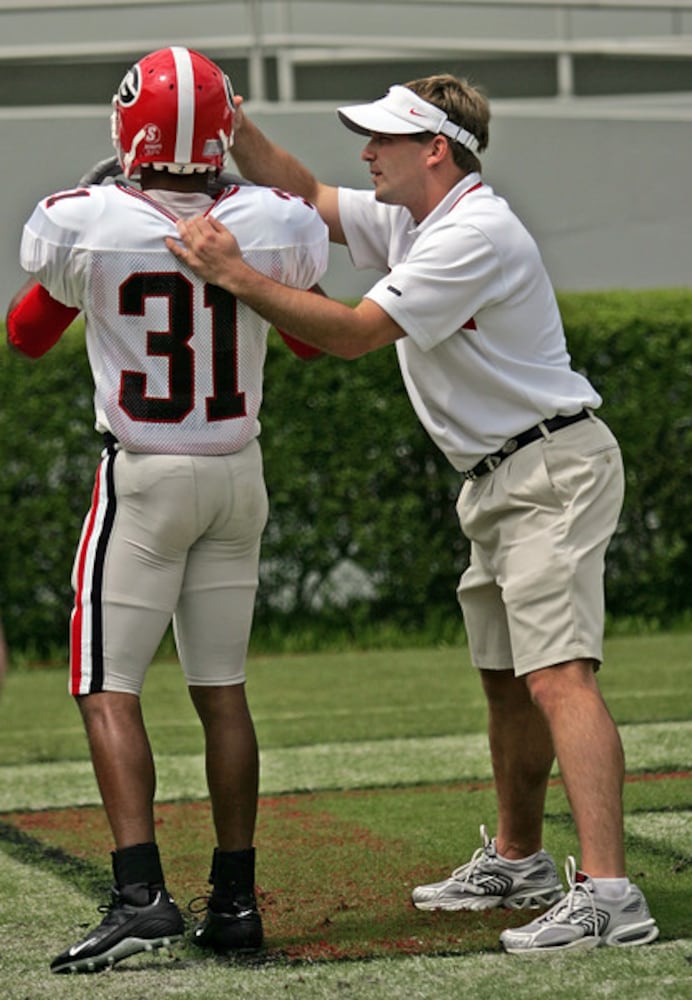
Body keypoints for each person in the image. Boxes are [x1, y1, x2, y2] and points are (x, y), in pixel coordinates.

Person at [166, 74, 659, 954]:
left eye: (383, 139)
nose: (367, 153)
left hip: (549, 466)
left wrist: (231, 272)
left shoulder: (473, 231)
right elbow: (305, 194)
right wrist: (228, 120)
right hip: (501, 474)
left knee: (558, 677)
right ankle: (519, 859)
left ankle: (611, 894)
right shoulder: (417, 215)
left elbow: (351, 332)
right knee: (509, 679)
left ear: (435, 149)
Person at [7, 46, 327, 973]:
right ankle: (235, 901)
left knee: (107, 685)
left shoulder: (88, 221)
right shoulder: (271, 222)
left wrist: (103, 243)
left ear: (128, 128)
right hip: (238, 475)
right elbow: (308, 343)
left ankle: (141, 893)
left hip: (146, 476)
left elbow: (27, 337)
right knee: (221, 691)